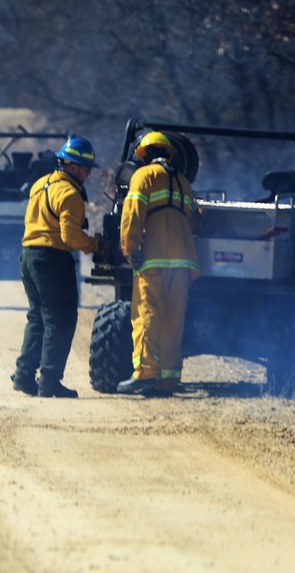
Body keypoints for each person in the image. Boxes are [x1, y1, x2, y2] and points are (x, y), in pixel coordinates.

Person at [11, 136, 104, 399]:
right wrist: (95, 245)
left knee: (37, 317)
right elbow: (71, 238)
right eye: (86, 168)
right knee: (60, 319)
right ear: (73, 166)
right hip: (52, 260)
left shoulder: (40, 184)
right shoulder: (71, 194)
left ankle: (23, 376)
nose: (87, 174)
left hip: (28, 256)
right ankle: (50, 381)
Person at [117, 132, 200, 397]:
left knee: (147, 313)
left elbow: (132, 216)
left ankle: (146, 373)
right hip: (182, 262)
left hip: (154, 257)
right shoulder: (184, 183)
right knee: (174, 318)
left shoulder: (143, 177)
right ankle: (168, 379)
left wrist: (130, 250)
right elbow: (194, 220)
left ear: (143, 155)